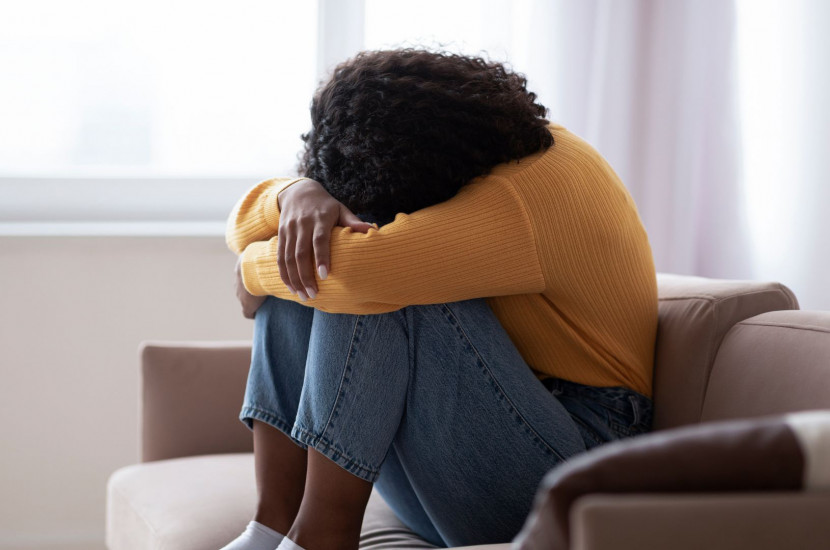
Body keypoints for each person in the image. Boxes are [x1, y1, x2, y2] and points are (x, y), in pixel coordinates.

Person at [223, 49, 657, 550]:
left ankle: (321, 537)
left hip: (576, 463)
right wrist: (295, 194)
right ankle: (269, 527)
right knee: (308, 251)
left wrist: (251, 269)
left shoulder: (529, 189)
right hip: (463, 466)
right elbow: (244, 224)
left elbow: (368, 271)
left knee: (372, 279)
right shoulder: (475, 152)